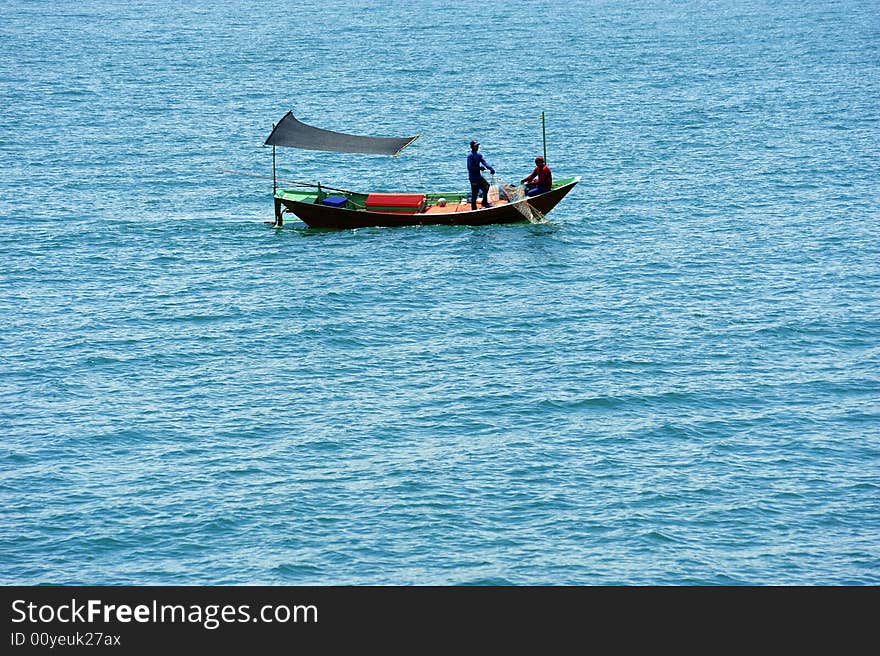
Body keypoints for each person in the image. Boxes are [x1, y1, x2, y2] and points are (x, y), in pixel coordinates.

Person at [467, 140, 495, 209]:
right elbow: (469, 167)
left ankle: (484, 203)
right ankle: (474, 208)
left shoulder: (479, 155)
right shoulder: (470, 156)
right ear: (472, 147)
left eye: (477, 145)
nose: (477, 147)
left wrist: (491, 168)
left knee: (487, 187)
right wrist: (479, 168)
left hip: (479, 177)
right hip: (473, 178)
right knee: (475, 193)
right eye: (475, 146)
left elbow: (484, 162)